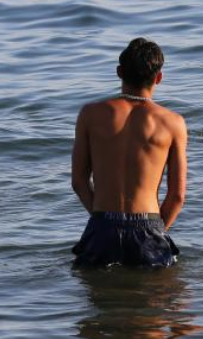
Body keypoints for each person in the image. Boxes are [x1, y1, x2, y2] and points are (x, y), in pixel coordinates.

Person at [71, 38, 187, 268]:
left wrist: (100, 218)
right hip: (148, 225)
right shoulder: (173, 123)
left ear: (119, 72)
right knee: (154, 298)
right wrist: (156, 230)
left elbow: (79, 181)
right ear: (158, 78)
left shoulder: (90, 114)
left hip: (102, 225)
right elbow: (177, 197)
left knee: (100, 298)